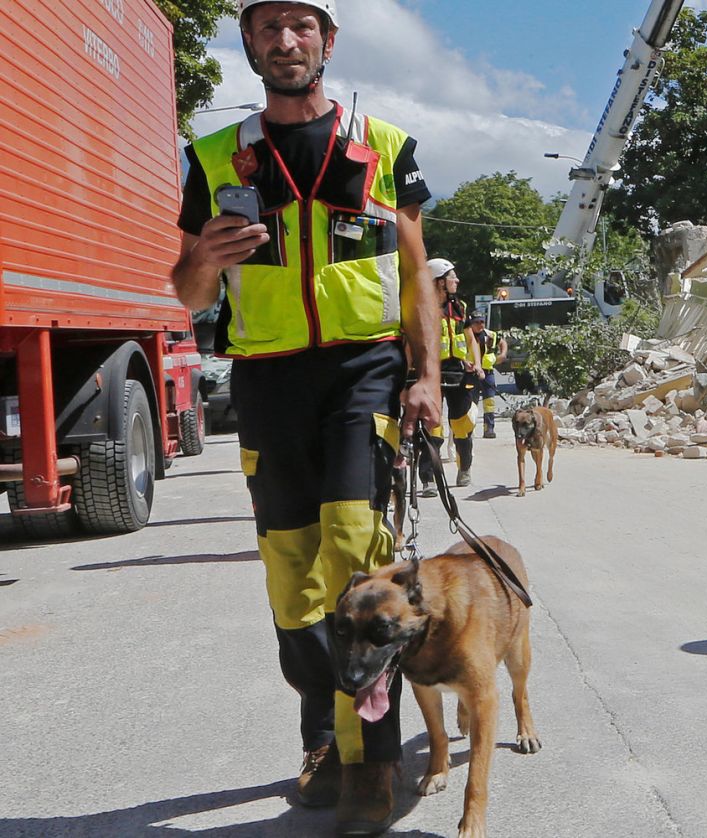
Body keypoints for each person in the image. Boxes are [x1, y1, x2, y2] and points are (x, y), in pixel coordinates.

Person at [167, 1, 440, 832]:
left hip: (362, 373)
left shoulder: (385, 148)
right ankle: (321, 737)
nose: (286, 42)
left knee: (359, 556)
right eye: (267, 27)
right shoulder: (216, 155)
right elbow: (186, 295)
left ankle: (373, 768)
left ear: (327, 40)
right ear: (248, 42)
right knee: (291, 575)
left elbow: (416, 273)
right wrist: (205, 260)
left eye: (302, 25)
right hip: (266, 379)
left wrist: (425, 374)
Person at [418, 258, 481, 493]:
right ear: (439, 281)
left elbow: (470, 338)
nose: (457, 280)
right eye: (452, 277)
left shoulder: (460, 307)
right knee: (432, 428)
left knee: (462, 425)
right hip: (432, 373)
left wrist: (476, 363)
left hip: (459, 374)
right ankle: (429, 479)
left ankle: (464, 468)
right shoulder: (421, 307)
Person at [468, 312, 508, 438]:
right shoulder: (466, 336)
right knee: (471, 403)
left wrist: (503, 354)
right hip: (472, 372)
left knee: (489, 402)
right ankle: (469, 428)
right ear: (471, 323)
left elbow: (502, 342)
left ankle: (489, 429)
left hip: (488, 372)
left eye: (482, 322)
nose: (480, 325)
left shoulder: (490, 335)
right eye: (476, 322)